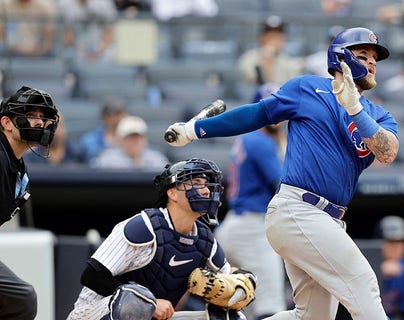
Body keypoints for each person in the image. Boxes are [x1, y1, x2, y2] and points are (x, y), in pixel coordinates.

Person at [166, 26, 399, 319]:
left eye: (375, 57)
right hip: (299, 209)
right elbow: (256, 114)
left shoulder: (379, 115)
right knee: (364, 286)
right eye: (363, 54)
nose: (372, 62)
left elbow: (388, 152)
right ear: (341, 58)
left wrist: (354, 110)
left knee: (311, 317)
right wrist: (194, 129)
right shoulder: (308, 88)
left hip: (329, 220)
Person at [67, 158, 253, 320]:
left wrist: (245, 281)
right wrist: (151, 303)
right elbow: (91, 276)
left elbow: (228, 276)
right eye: (196, 183)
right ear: (172, 193)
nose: (205, 191)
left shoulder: (205, 240)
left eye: (206, 184)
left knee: (230, 316)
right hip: (92, 314)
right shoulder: (144, 226)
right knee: (133, 303)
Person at [214, 83, 288, 320]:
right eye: (270, 108)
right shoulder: (261, 141)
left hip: (236, 225)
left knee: (240, 306)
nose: (276, 113)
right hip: (253, 229)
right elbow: (281, 184)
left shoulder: (252, 138)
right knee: (270, 307)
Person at [0, 86, 59, 319]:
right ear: (6, 123)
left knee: (22, 300)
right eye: (31, 116)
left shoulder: (17, 167)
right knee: (22, 299)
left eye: (43, 118)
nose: (39, 122)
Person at [237, 15, 303, 86]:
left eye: (278, 36)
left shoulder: (288, 61)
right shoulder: (248, 58)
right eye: (270, 36)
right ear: (262, 38)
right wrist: (266, 60)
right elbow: (251, 82)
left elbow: (294, 88)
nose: (274, 40)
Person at [91, 114, 169, 170]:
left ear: (145, 139)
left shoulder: (157, 160)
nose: (136, 142)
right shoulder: (107, 160)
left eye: (139, 137)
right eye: (131, 138)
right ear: (120, 140)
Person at [77, 98, 127, 163]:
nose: (120, 118)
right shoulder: (89, 141)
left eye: (122, 114)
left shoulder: (132, 139)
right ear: (104, 117)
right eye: (116, 114)